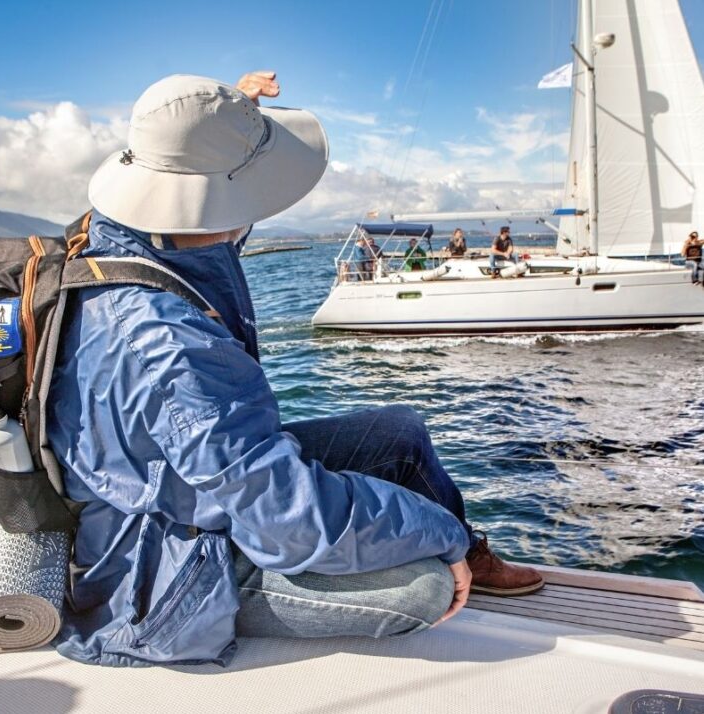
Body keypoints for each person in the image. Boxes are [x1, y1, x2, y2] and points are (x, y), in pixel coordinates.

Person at [46, 72, 543, 669]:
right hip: (168, 571)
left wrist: (223, 122)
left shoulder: (123, 238)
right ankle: (457, 552)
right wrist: (439, 532)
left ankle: (460, 549)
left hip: (193, 485)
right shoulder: (172, 346)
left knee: (401, 431)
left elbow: (201, 207)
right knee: (425, 589)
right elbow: (289, 521)